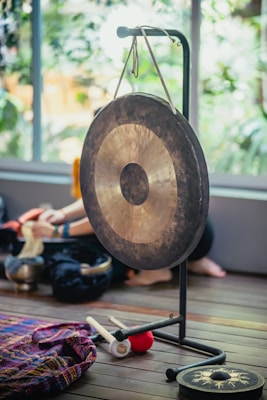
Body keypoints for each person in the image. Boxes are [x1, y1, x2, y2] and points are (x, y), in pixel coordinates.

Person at [30, 199, 226, 285]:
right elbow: (98, 197)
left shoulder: (135, 159)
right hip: (199, 237)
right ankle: (194, 261)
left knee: (131, 218)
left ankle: (156, 271)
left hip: (190, 238)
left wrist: (58, 231)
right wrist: (63, 213)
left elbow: (111, 216)